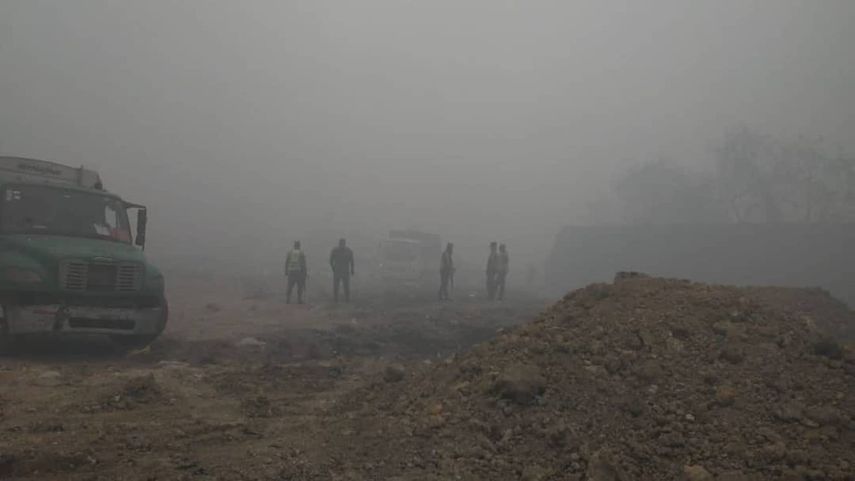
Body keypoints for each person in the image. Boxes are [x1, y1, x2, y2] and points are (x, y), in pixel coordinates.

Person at [329, 238, 355, 302]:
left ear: (344, 244)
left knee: (346, 286)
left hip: (344, 271)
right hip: (338, 270)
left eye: (343, 244)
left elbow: (352, 261)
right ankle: (336, 299)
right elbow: (331, 260)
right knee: (336, 286)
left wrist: (352, 269)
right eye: (341, 244)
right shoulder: (335, 250)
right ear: (339, 244)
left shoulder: (348, 251)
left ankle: (347, 299)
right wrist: (333, 268)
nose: (342, 245)